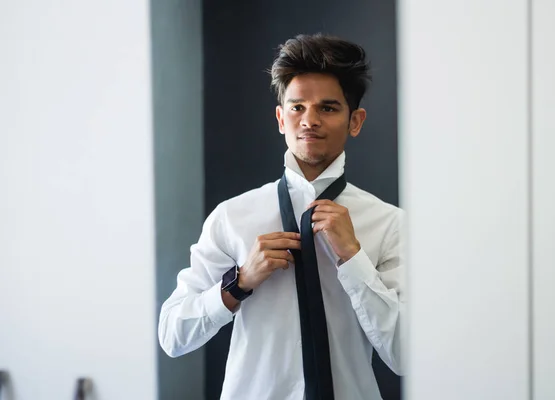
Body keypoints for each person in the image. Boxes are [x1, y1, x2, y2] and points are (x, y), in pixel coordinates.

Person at [158, 33, 406, 400]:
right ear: (280, 118)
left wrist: (354, 259)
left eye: (328, 108)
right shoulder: (232, 217)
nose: (309, 121)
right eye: (297, 107)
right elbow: (172, 336)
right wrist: (238, 283)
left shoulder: (388, 224)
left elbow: (407, 354)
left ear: (355, 121)